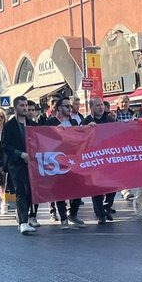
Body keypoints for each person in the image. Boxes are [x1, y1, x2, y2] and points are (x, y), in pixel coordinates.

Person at [42, 96, 85, 229]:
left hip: (72, 160)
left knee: (78, 188)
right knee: (60, 190)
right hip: (57, 160)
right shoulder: (50, 122)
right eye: (67, 106)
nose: (70, 109)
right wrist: (55, 132)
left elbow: (80, 137)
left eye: (70, 106)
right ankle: (63, 218)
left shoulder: (73, 122)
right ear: (59, 108)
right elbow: (44, 139)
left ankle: (73, 213)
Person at [1, 95, 36, 234]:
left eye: (26, 105)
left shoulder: (32, 124)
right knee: (21, 191)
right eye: (22, 105)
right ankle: (23, 222)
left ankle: (24, 216)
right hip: (16, 164)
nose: (25, 108)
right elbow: (5, 146)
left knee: (30, 192)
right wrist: (20, 154)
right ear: (15, 108)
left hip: (31, 164)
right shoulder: (9, 126)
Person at [83, 97, 116, 226]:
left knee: (113, 185)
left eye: (102, 105)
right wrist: (86, 129)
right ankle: (100, 214)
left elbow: (120, 131)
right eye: (97, 105)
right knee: (96, 188)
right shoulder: (86, 121)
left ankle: (107, 206)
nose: (101, 107)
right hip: (94, 159)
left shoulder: (109, 119)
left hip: (109, 158)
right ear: (91, 108)